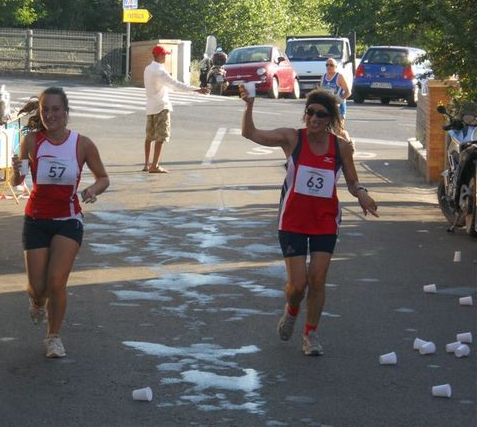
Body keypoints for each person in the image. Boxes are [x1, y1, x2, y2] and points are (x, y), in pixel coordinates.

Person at [239, 87, 378, 356]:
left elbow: (352, 182)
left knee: (317, 279)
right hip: (292, 219)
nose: (314, 118)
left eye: (321, 114)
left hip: (324, 220)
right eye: (310, 112)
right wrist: (249, 105)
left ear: (330, 119)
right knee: (298, 285)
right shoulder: (292, 138)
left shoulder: (341, 146)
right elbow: (250, 134)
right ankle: (291, 310)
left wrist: (362, 195)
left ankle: (310, 334)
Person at [11, 87, 110, 358]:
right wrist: (15, 173)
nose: (50, 115)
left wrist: (93, 190)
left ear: (66, 112)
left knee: (56, 283)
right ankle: (36, 300)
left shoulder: (82, 144)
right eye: (45, 110)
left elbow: (103, 177)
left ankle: (53, 337)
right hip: (36, 219)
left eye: (56, 109)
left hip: (68, 219)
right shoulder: (31, 141)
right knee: (38, 287)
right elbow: (16, 181)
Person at [143, 45, 210, 173]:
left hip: (150, 106)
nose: (166, 57)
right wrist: (196, 89)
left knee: (149, 137)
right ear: (158, 56)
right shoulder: (160, 71)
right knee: (160, 137)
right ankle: (155, 166)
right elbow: (176, 85)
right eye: (164, 55)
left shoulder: (148, 68)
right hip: (161, 106)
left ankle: (146, 164)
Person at [320, 58, 353, 148]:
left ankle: (349, 144)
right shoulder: (323, 77)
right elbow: (321, 92)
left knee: (339, 130)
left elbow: (348, 92)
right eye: (327, 65)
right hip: (328, 108)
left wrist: (339, 99)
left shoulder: (339, 77)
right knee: (326, 129)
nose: (328, 67)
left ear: (335, 67)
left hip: (339, 107)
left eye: (331, 65)